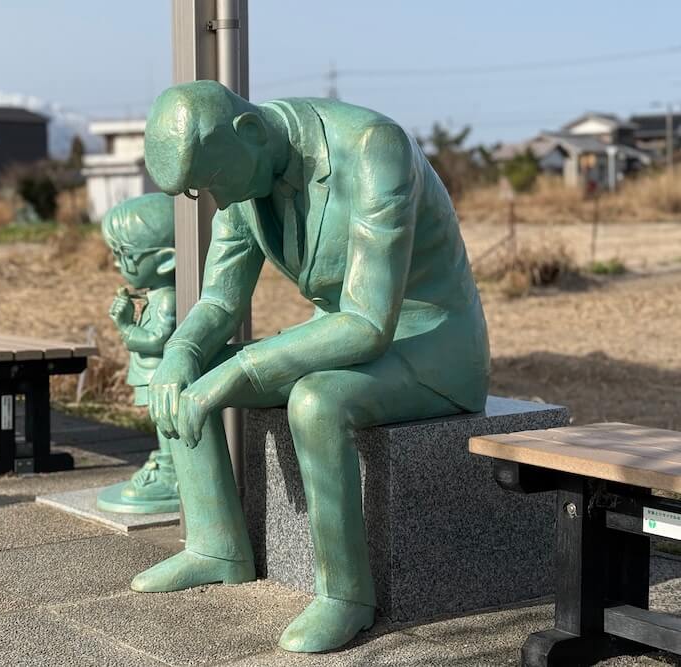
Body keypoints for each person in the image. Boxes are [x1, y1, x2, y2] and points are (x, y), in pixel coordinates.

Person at [132, 81, 490, 653]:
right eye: (198, 190)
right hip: (342, 337)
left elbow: (368, 321)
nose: (213, 200)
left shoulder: (375, 149)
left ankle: (346, 595)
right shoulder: (243, 175)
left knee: (316, 401)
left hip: (428, 345)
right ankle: (215, 546)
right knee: (182, 378)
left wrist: (238, 370)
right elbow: (220, 300)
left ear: (249, 131)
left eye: (211, 181)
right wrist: (181, 353)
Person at [97, 193, 180, 514]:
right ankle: (166, 463)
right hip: (152, 374)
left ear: (166, 260)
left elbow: (159, 339)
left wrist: (125, 325)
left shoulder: (168, 299)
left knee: (166, 422)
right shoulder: (157, 295)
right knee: (161, 423)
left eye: (125, 254)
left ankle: (171, 470)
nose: (117, 262)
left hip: (160, 375)